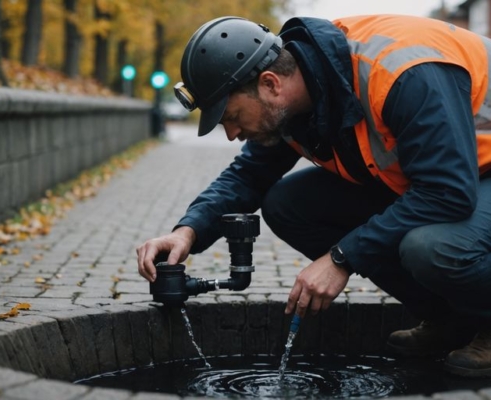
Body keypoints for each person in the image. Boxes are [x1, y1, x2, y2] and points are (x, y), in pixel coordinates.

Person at [136, 14, 491, 377]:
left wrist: (341, 258)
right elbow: (249, 175)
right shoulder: (299, 96)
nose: (231, 134)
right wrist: (188, 231)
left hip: (471, 177)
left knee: (431, 247)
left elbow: (446, 192)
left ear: (270, 83)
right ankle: (451, 320)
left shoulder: (402, 73)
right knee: (288, 205)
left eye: (231, 116)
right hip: (454, 177)